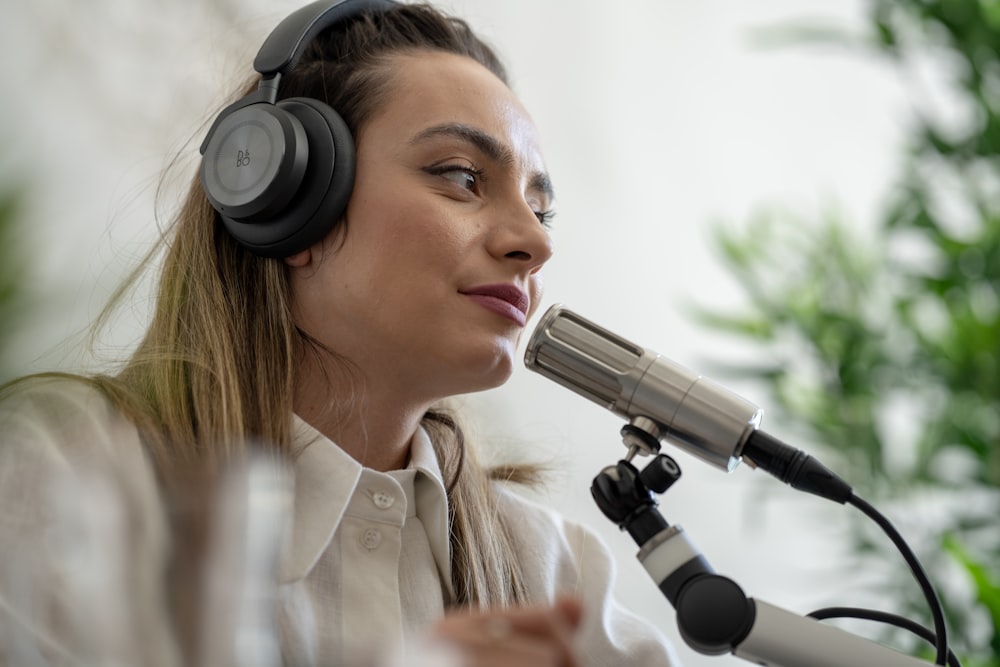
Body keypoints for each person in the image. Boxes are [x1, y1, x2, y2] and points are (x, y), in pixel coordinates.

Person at [0, 1, 680, 665]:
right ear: (289, 199)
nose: (534, 241)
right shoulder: (64, 469)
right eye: (463, 177)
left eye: (541, 208)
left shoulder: (554, 571)